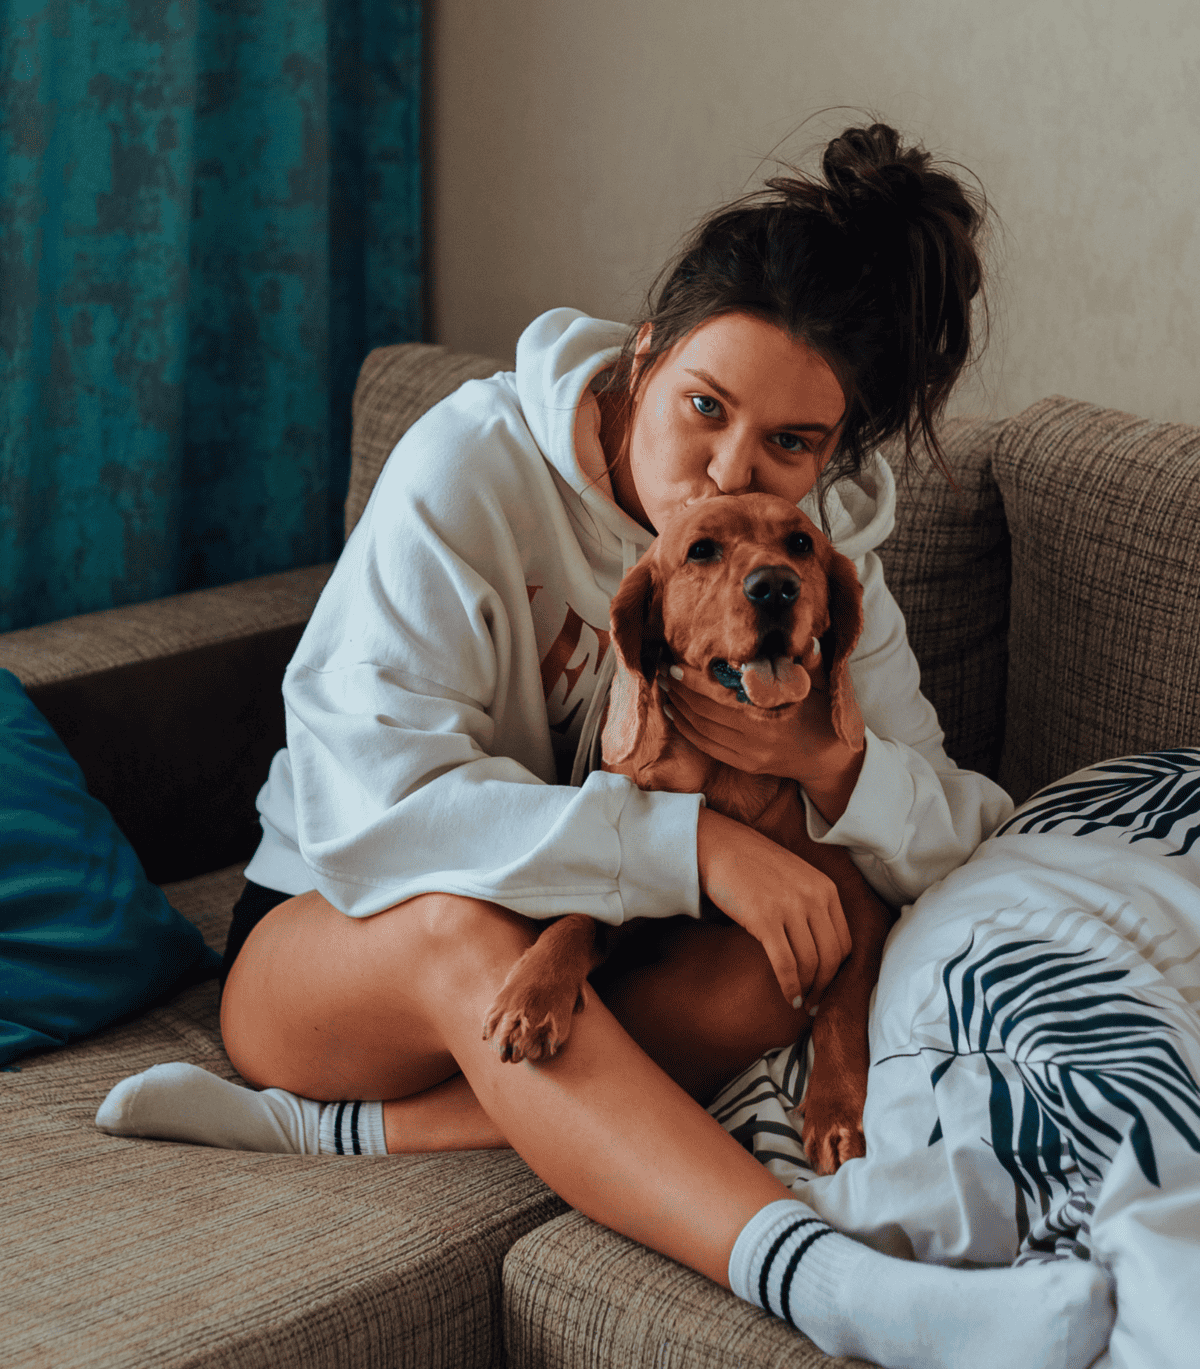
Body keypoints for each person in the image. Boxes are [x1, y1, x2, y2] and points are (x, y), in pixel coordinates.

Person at [98, 122, 1114, 1369]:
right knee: (464, 933)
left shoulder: (818, 562)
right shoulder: (469, 468)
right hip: (334, 941)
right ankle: (834, 1284)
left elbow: (959, 824)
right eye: (704, 407)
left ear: (830, 456)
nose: (728, 470)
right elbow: (375, 812)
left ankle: (356, 1136)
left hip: (584, 963)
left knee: (787, 961)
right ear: (645, 355)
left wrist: (829, 770)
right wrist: (691, 849)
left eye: (791, 445)